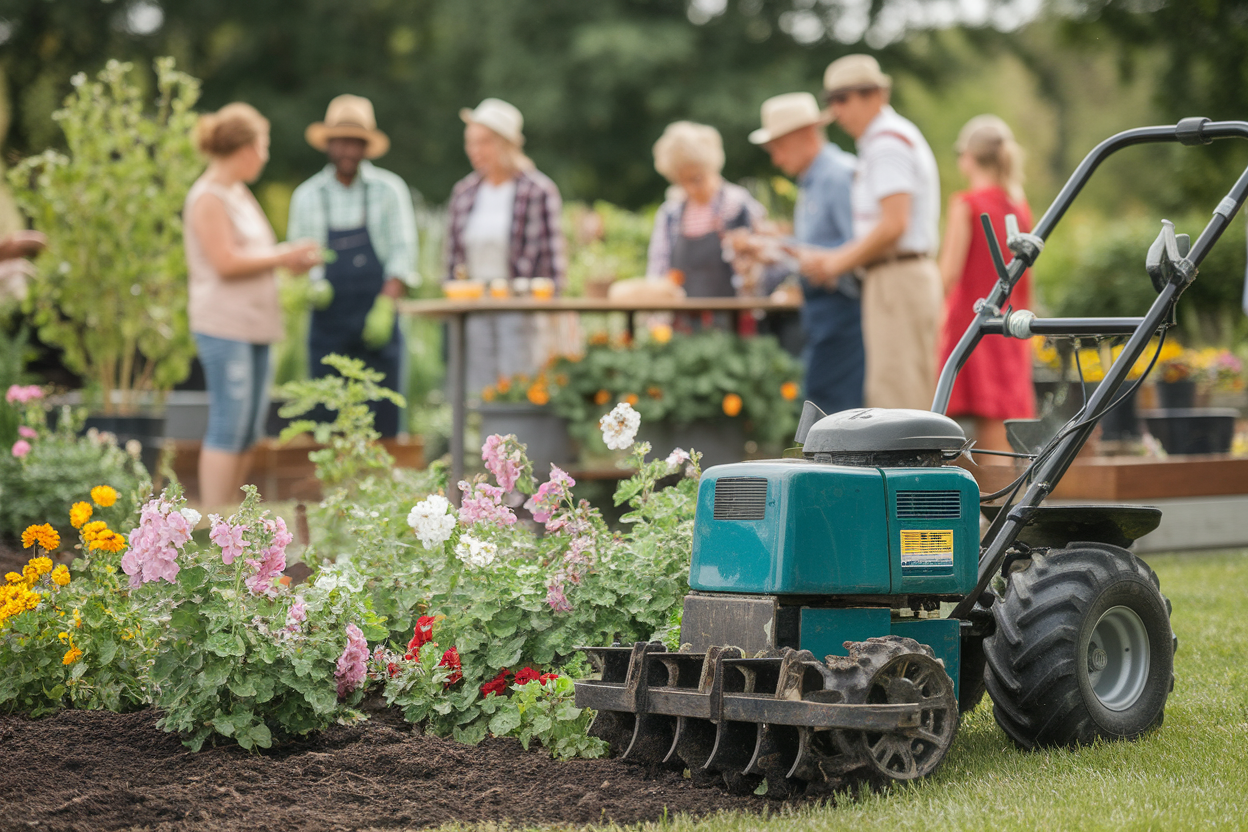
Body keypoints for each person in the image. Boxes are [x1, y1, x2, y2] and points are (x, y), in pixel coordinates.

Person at [184, 103, 321, 510]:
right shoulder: (207, 197)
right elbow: (225, 261)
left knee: (248, 429)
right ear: (243, 148)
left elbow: (256, 254)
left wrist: (288, 259)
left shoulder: (238, 194)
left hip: (256, 326)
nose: (264, 155)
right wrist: (282, 256)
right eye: (263, 145)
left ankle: (231, 523)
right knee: (229, 425)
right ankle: (212, 521)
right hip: (224, 327)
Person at [791, 54, 942, 411]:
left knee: (898, 397)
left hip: (897, 274)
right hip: (893, 274)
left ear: (875, 95)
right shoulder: (882, 139)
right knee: (895, 392)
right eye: (831, 101)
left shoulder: (887, 142)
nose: (836, 111)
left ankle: (913, 469)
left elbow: (894, 224)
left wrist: (835, 263)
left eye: (843, 99)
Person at [288, 94, 417, 437]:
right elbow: (300, 258)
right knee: (327, 420)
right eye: (341, 142)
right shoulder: (308, 195)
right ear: (328, 144)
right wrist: (314, 283)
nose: (347, 150)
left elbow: (403, 255)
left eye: (355, 143)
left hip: (377, 319)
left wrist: (386, 304)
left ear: (366, 147)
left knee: (384, 419)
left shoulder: (389, 191)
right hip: (327, 323)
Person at [736, 92, 863, 414]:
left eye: (778, 146)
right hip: (820, 312)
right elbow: (819, 247)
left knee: (833, 412)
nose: (775, 158)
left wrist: (780, 250)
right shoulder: (811, 181)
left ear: (806, 134)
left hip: (846, 313)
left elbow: (860, 250)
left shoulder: (838, 176)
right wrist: (777, 250)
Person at [446, 98, 567, 395]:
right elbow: (452, 259)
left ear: (506, 144)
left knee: (520, 391)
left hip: (521, 312)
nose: (475, 150)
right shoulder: (464, 193)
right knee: (479, 395)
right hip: (474, 309)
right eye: (471, 142)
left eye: (484, 142)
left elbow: (554, 266)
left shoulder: (537, 191)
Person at [937, 115, 1035, 458]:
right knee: (1001, 418)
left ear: (968, 156)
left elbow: (948, 275)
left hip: (973, 322)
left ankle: (992, 504)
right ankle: (1007, 500)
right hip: (1010, 323)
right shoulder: (1018, 208)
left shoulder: (968, 204)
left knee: (950, 422)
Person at [647, 121, 764, 303]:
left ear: (711, 167)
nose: (691, 189)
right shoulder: (671, 214)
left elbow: (765, 260)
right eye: (682, 181)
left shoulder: (738, 205)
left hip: (732, 314)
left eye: (697, 179)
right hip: (683, 319)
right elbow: (658, 267)